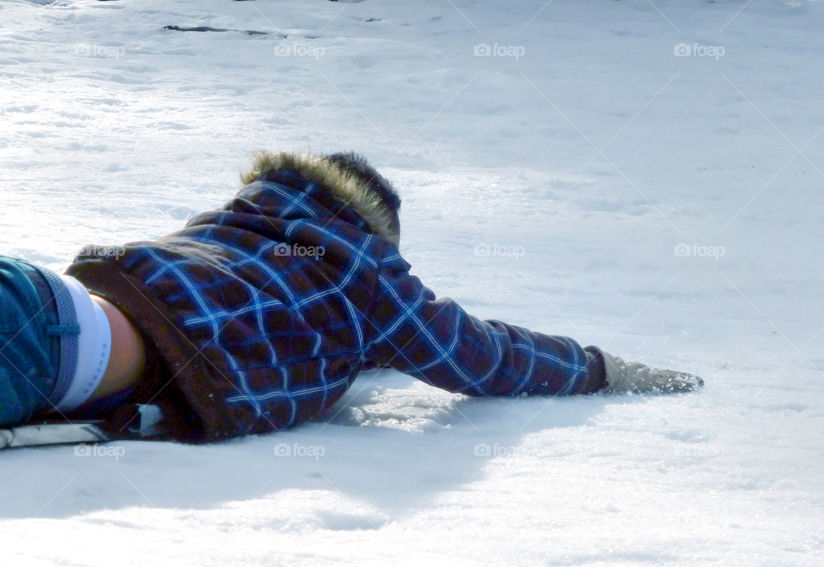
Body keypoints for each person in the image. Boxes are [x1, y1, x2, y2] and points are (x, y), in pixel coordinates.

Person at [0, 151, 703, 443]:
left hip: (38, 302)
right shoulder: (358, 266)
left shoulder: (232, 231)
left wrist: (372, 345)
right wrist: (600, 367)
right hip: (38, 349)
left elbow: (278, 323)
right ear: (372, 228)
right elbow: (480, 356)